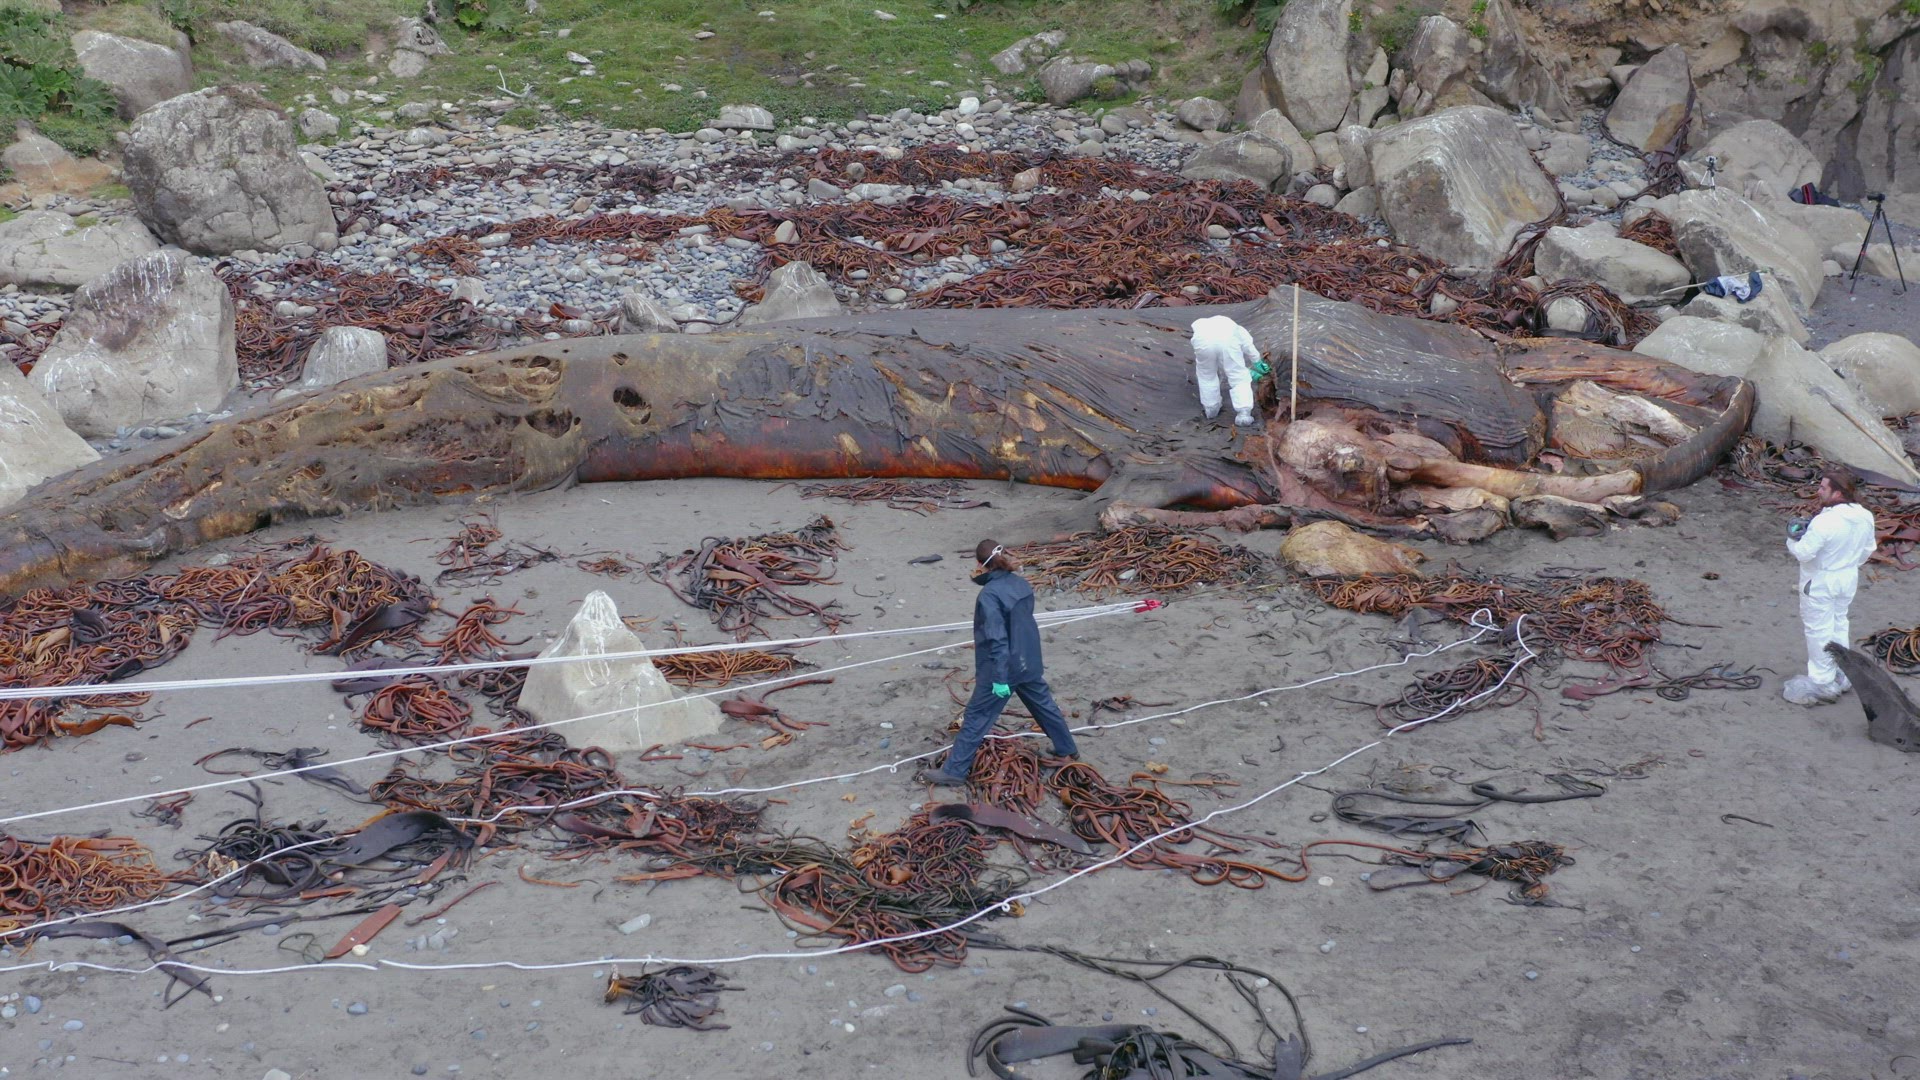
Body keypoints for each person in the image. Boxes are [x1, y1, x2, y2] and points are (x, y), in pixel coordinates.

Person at [922, 539, 1079, 786]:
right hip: (1028, 660)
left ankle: (954, 770)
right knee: (1043, 705)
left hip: (1002, 668)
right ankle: (1067, 750)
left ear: (979, 564)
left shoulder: (989, 595)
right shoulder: (1022, 584)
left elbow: (997, 639)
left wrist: (1000, 679)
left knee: (977, 715)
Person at [1783, 467, 1877, 706]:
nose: (1819, 491)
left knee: (1818, 629)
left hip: (1822, 581)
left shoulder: (1824, 522)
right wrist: (1848, 563)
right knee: (1839, 622)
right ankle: (1841, 672)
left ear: (1837, 493)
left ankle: (1822, 682)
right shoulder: (1865, 516)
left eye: (1824, 487)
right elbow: (1869, 550)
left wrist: (1792, 540)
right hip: (1847, 578)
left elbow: (1804, 553)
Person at [1189, 314, 1264, 428]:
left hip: (1202, 341)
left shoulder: (1202, 327)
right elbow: (1248, 346)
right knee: (1239, 378)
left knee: (1207, 375)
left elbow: (1217, 360)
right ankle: (1244, 413)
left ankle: (1211, 408)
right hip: (1228, 341)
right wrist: (1257, 361)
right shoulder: (1237, 330)